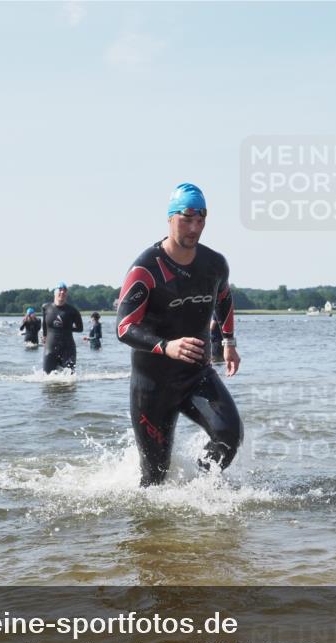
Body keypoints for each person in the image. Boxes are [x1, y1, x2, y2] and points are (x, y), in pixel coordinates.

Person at [116, 183, 243, 486]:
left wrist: (229, 343)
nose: (194, 228)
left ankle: (198, 490)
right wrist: (166, 346)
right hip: (152, 385)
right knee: (154, 478)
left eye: (201, 220)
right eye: (187, 219)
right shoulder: (146, 268)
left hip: (196, 374)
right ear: (170, 218)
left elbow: (224, 299)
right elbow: (123, 327)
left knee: (229, 436)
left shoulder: (214, 264)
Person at [41, 282, 83, 373]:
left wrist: (67, 328)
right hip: (50, 348)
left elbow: (80, 329)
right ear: (55, 292)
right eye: (60, 290)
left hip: (68, 349)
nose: (62, 292)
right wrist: (44, 335)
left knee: (69, 378)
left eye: (64, 291)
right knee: (46, 377)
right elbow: (44, 324)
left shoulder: (73, 311)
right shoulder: (46, 307)